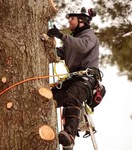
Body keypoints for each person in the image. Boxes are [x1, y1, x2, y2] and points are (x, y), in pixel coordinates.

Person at [47, 6, 105, 149]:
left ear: (82, 20)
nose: (69, 22)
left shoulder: (89, 36)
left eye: (72, 19)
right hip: (73, 80)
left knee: (73, 96)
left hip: (86, 80)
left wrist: (61, 36)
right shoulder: (72, 41)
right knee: (48, 98)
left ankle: (69, 136)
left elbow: (83, 47)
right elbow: (58, 53)